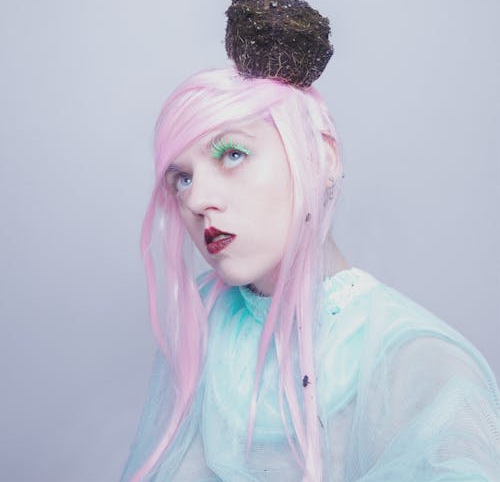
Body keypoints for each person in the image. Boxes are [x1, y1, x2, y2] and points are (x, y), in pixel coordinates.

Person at [121, 68, 500, 481]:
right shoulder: (205, 322)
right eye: (183, 178)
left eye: (232, 154)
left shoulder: (421, 362)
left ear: (323, 158)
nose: (196, 199)